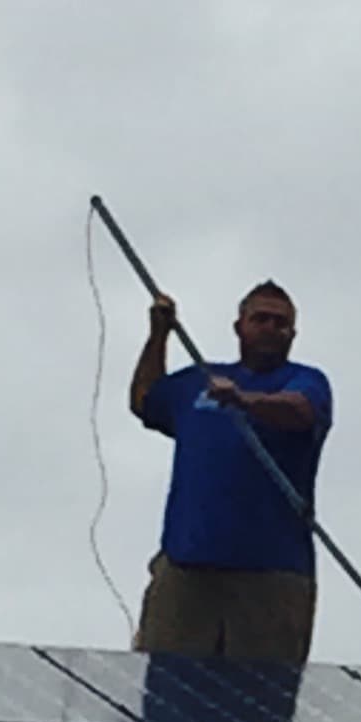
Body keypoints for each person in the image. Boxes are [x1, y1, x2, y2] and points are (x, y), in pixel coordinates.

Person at [129, 280, 333, 663]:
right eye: (261, 319)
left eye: (281, 323)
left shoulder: (305, 380)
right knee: (167, 693)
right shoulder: (197, 381)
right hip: (186, 567)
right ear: (239, 326)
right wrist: (159, 335)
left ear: (293, 334)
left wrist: (245, 401)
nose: (271, 328)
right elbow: (145, 401)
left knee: (260, 704)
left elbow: (301, 411)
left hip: (272, 575)